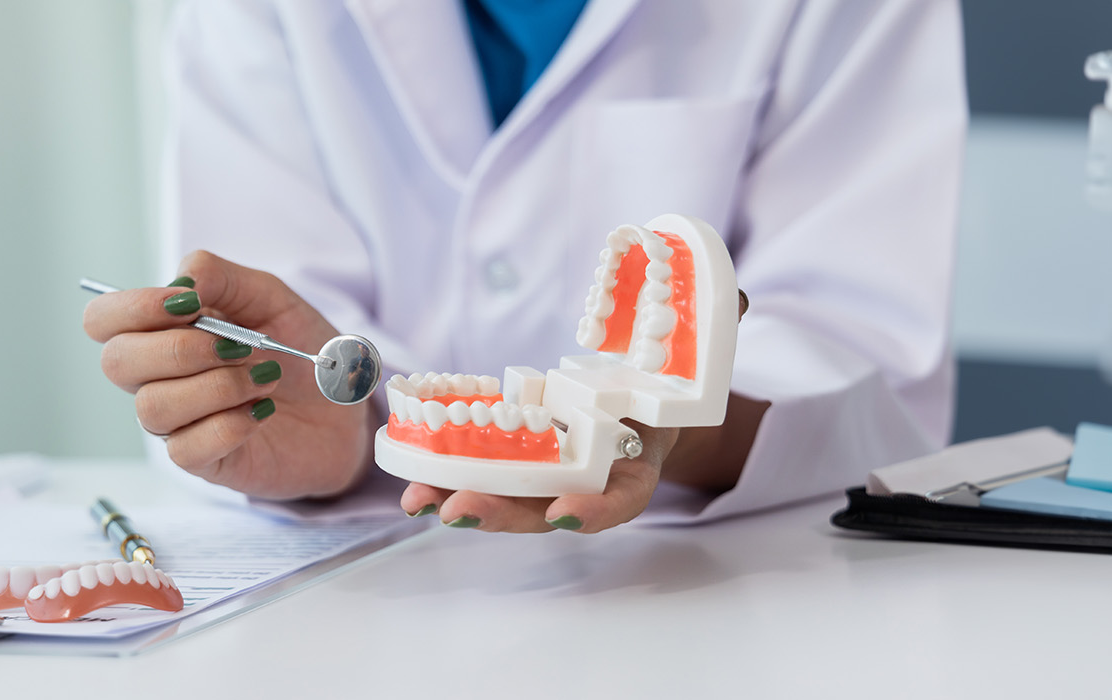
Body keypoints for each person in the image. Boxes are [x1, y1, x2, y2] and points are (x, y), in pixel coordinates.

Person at [83, 0, 965, 532]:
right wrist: (324, 431)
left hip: (719, 597)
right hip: (360, 603)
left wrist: (669, 425)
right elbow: (274, 316)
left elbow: (862, 356)